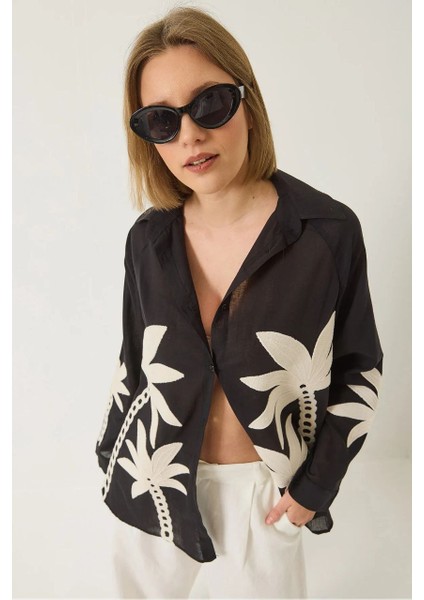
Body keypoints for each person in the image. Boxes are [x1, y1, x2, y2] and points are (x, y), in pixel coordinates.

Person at [95, 6, 383, 599]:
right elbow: (134, 363)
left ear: (246, 100)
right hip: (153, 480)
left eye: (209, 104)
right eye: (161, 120)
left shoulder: (326, 233)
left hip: (266, 495)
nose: (190, 136)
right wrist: (108, 455)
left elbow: (361, 369)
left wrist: (314, 489)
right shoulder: (147, 241)